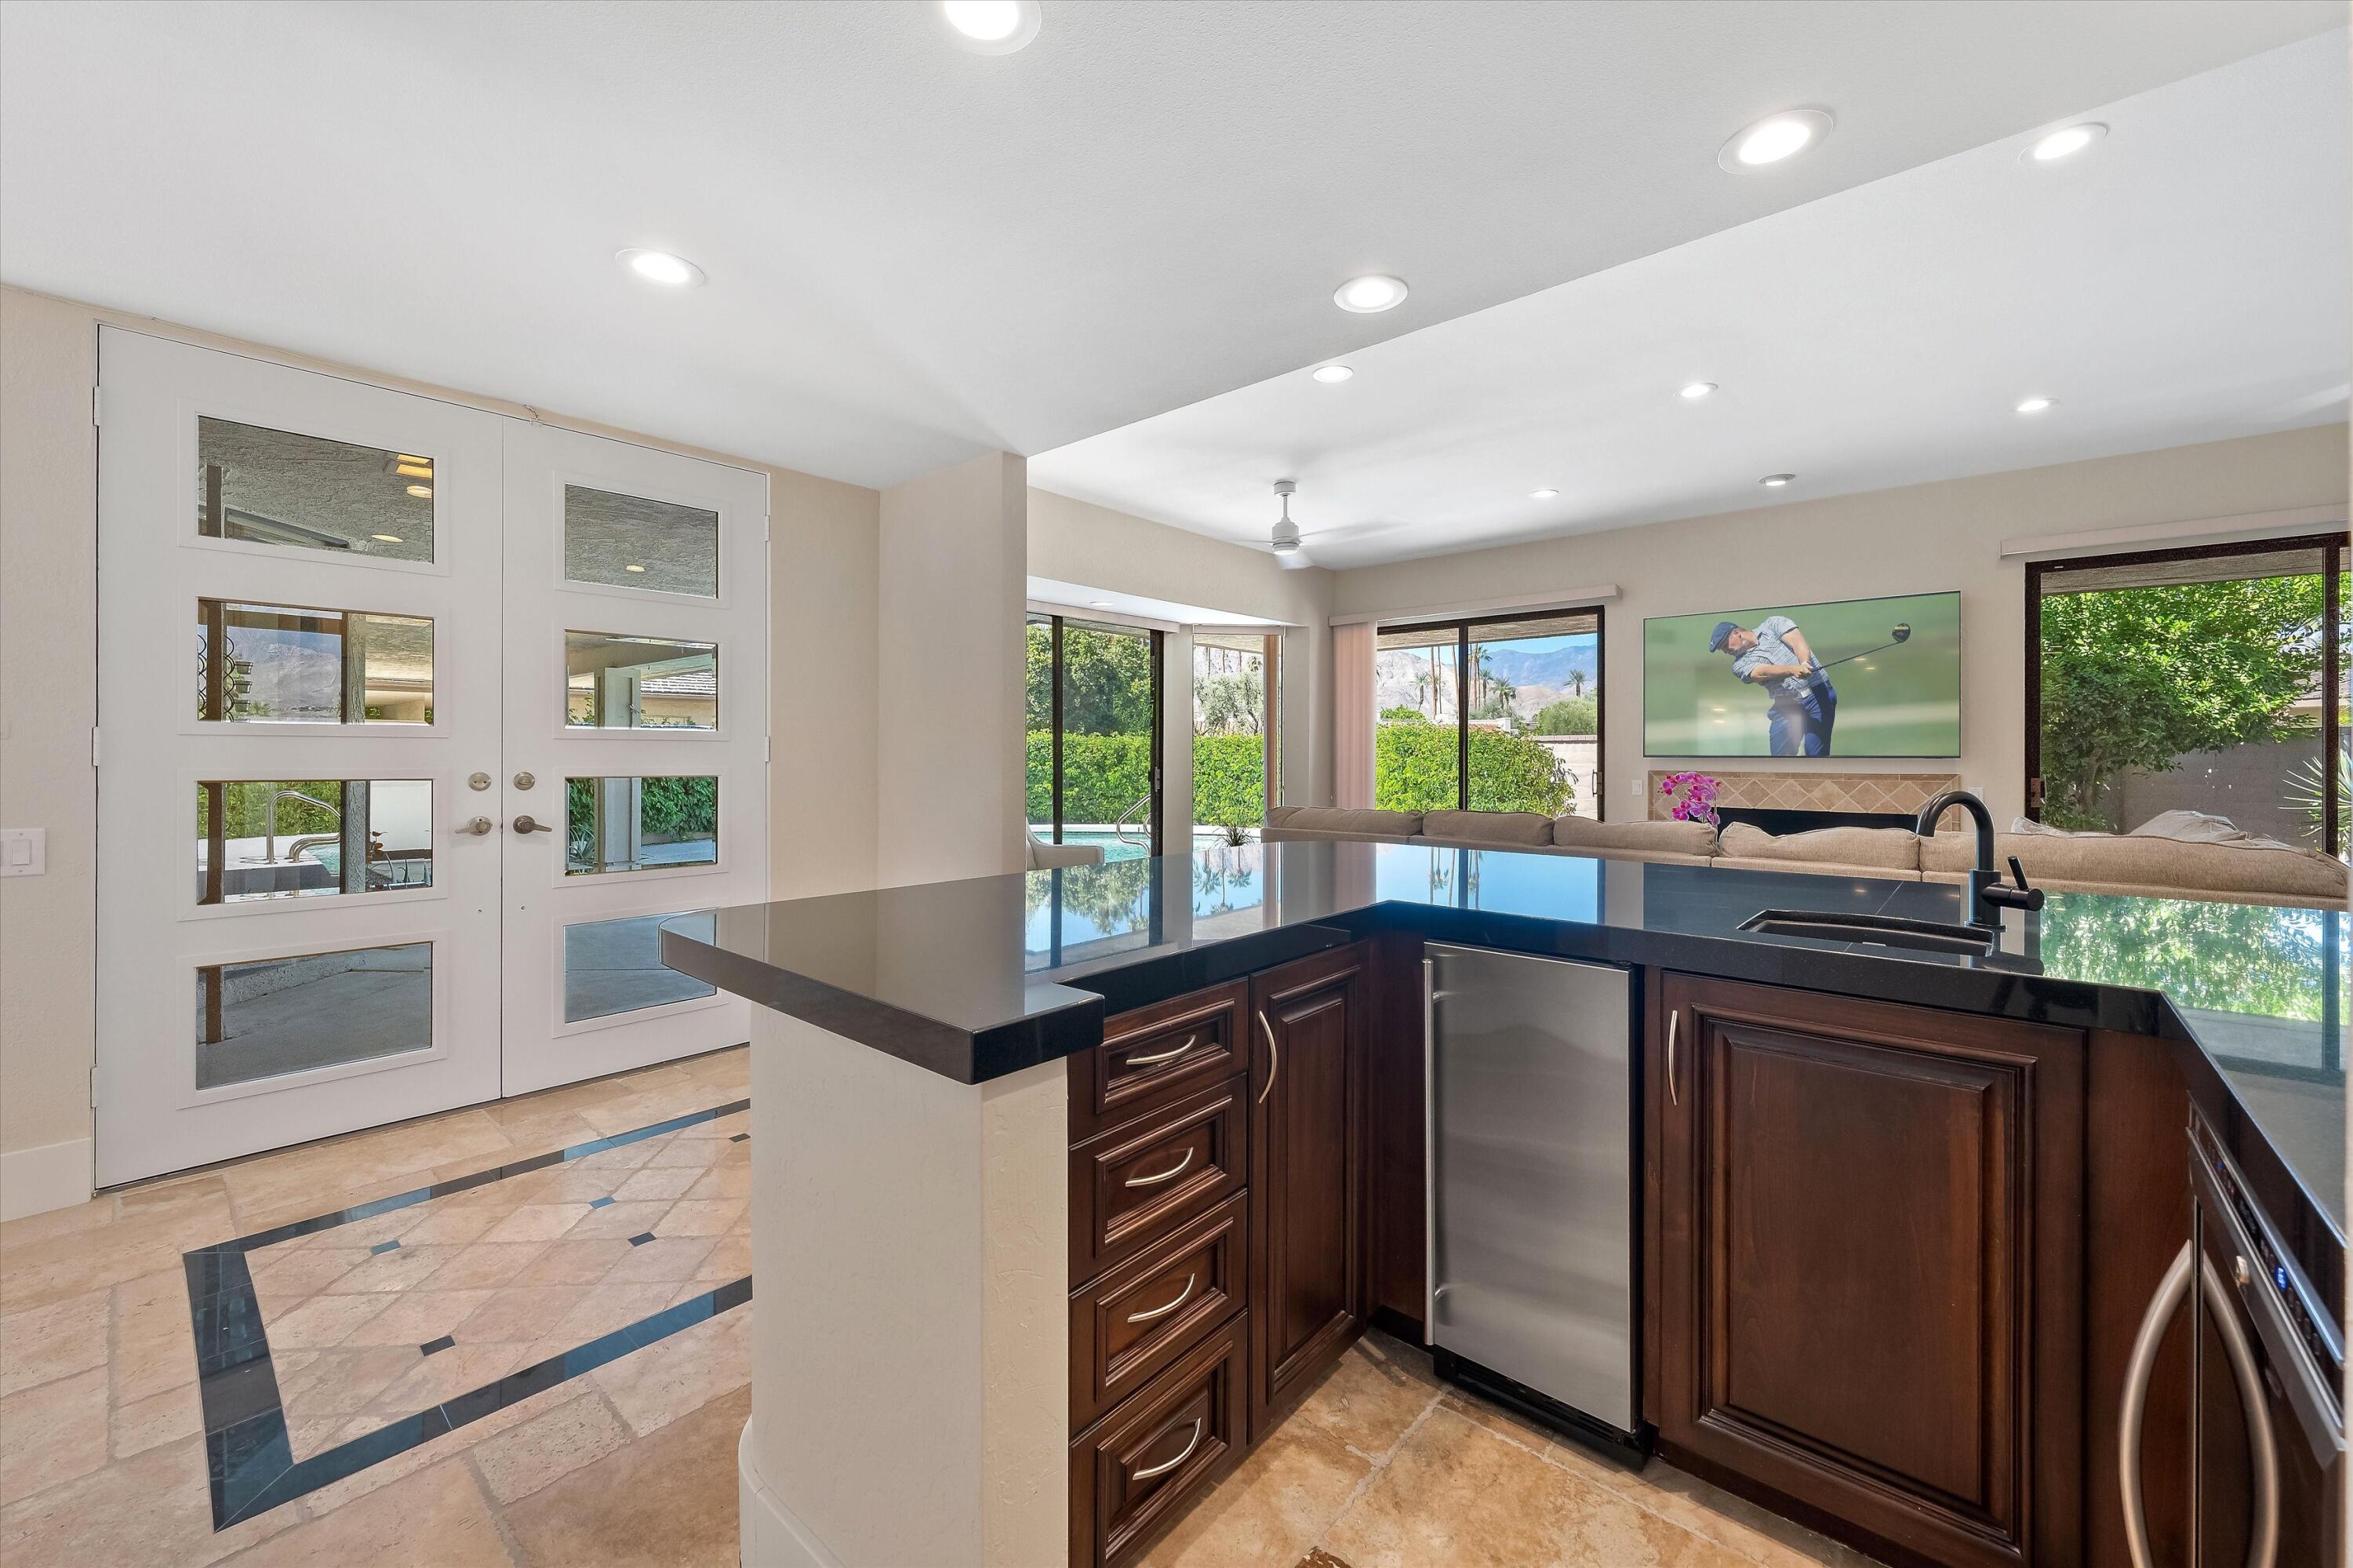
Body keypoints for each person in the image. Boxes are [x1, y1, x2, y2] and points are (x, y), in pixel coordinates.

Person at [1709, 615, 1838, 756]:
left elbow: (1797, 642)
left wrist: (1805, 663)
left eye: (1724, 645)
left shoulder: (1773, 624)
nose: (1726, 651)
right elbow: (1760, 672)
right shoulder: (1739, 665)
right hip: (1786, 705)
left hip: (1819, 695)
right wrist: (1793, 670)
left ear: (1736, 633)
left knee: (1816, 755)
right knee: (1780, 758)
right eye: (1722, 649)